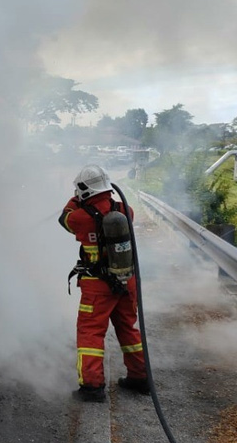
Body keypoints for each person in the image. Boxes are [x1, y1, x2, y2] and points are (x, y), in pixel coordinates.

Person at [58, 164, 148, 402]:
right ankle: (140, 377)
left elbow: (63, 219)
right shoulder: (125, 209)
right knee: (128, 329)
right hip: (126, 281)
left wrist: (76, 199)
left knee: (90, 333)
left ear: (84, 189)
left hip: (98, 286)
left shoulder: (80, 217)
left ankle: (92, 387)